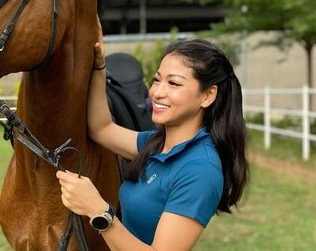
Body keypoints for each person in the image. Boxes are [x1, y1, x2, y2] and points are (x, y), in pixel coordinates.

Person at [56, 35, 249, 250]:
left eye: (173, 83)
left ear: (207, 96)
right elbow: (102, 129)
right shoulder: (155, 144)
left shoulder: (200, 170)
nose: (157, 93)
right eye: (157, 80)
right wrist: (99, 67)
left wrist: (98, 211)